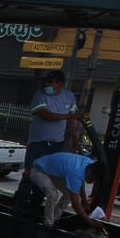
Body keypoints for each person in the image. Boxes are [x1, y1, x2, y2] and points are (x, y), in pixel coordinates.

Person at [14, 70, 80, 215]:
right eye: (46, 82)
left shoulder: (69, 97)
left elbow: (71, 120)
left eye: (51, 82)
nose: (47, 85)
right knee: (30, 175)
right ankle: (18, 208)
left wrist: (75, 139)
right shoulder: (40, 96)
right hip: (37, 144)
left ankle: (34, 209)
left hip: (55, 145)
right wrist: (69, 115)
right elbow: (45, 115)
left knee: (45, 179)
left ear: (60, 84)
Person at [29, 152, 99, 229]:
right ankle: (48, 224)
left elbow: (80, 181)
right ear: (91, 173)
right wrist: (89, 221)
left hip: (51, 170)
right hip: (38, 170)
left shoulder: (89, 163)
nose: (92, 182)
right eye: (93, 179)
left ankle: (55, 218)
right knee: (53, 195)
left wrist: (84, 200)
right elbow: (75, 204)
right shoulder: (76, 173)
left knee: (68, 193)